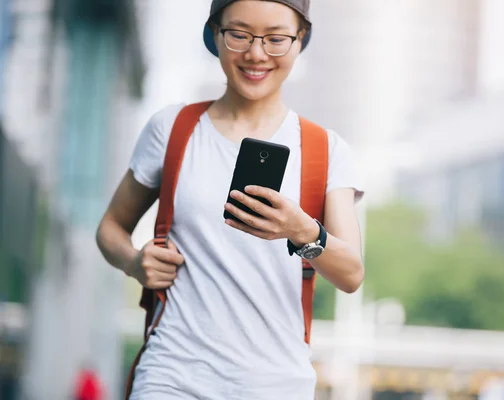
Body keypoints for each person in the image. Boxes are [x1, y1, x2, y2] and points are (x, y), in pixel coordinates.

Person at [96, 0, 364, 398]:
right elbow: (111, 228)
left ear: (300, 39)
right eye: (239, 34)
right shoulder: (172, 129)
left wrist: (301, 229)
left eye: (275, 39)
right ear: (215, 34)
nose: (256, 53)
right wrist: (135, 262)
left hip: (275, 385)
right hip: (171, 376)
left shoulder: (326, 150)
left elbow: (351, 274)